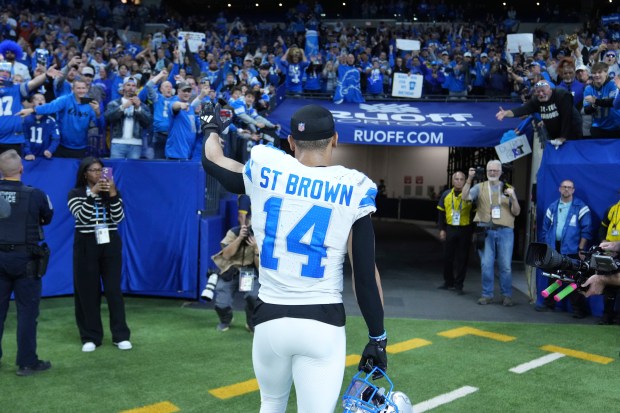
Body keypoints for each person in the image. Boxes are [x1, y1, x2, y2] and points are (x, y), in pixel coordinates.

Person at [201, 103, 386, 412]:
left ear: (291, 143)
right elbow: (365, 276)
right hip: (320, 322)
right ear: (335, 140)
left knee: (271, 405)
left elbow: (213, 161)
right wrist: (378, 337)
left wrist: (210, 127)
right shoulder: (353, 187)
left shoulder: (266, 168)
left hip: (270, 320)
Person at [67, 157, 131, 352]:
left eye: (100, 170)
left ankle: (120, 335)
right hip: (86, 244)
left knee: (113, 290)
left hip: (110, 243)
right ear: (85, 173)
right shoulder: (75, 193)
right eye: (93, 170)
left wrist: (112, 195)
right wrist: (92, 194)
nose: (97, 173)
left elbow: (119, 218)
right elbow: (82, 216)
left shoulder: (112, 192)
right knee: (87, 291)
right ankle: (90, 336)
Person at [0, 149, 53, 376]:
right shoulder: (36, 194)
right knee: (27, 313)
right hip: (26, 261)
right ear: (21, 169)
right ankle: (27, 362)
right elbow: (47, 217)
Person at [462, 160, 521, 306]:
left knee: (505, 265)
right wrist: (469, 179)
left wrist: (513, 197)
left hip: (505, 231)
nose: (492, 173)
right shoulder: (479, 187)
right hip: (485, 230)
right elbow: (465, 197)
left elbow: (517, 212)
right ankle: (487, 294)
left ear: (501, 172)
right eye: (490, 170)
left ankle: (506, 295)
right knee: (486, 264)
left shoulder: (508, 189)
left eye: (495, 170)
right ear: (486, 172)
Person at [537, 180, 592, 318]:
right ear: (559, 189)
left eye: (569, 187)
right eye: (564, 187)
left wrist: (581, 248)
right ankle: (549, 304)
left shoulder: (581, 207)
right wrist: (547, 246)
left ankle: (578, 310)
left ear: (573, 190)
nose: (566, 189)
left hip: (572, 250)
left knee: (573, 280)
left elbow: (587, 230)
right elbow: (545, 229)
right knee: (552, 277)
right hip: (554, 249)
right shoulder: (552, 207)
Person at [17, 80, 101, 158]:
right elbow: (50, 107)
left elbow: (99, 125)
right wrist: (33, 110)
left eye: (83, 88)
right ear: (73, 89)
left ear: (87, 89)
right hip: (62, 145)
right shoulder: (65, 99)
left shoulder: (90, 104)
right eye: (78, 88)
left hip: (81, 146)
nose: (81, 91)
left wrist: (97, 112)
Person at [210, 212, 260, 332]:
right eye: (250, 226)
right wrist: (240, 238)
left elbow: (259, 267)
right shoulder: (234, 232)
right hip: (231, 270)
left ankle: (251, 322)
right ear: (245, 224)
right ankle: (225, 319)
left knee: (253, 297)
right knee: (221, 303)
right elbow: (226, 255)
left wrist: (256, 248)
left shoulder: (261, 237)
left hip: (249, 271)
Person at [495, 80, 582, 148]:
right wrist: (506, 113)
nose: (541, 94)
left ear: (550, 90)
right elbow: (522, 110)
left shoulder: (561, 95)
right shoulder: (536, 100)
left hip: (572, 132)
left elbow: (566, 118)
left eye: (543, 91)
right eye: (538, 92)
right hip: (555, 134)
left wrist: (563, 137)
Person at [436, 171, 474, 294]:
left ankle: (459, 285)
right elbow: (441, 213)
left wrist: (473, 232)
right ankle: (448, 282)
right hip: (450, 229)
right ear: (452, 181)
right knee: (448, 257)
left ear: (465, 181)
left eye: (461, 179)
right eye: (456, 179)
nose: (458, 181)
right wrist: (442, 229)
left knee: (462, 258)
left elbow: (474, 215)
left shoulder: (470, 195)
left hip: (465, 229)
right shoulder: (446, 194)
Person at [104, 77, 152, 159]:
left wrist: (138, 108)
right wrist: (122, 107)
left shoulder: (143, 106)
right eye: (128, 85)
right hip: (117, 143)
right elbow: (108, 118)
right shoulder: (114, 103)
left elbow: (147, 123)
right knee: (116, 169)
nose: (131, 87)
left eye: (133, 85)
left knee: (132, 171)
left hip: (136, 144)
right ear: (123, 87)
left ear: (136, 89)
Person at [597, 198, 620, 324]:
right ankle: (606, 316)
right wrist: (603, 241)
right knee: (609, 284)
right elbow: (602, 227)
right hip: (610, 252)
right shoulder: (612, 209)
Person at [22, 93, 60, 161]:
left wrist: (50, 150)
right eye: (37, 99)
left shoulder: (51, 120)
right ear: (32, 103)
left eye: (42, 99)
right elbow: (24, 137)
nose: (40, 100)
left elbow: (56, 138)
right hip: (29, 156)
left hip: (45, 156)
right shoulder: (26, 120)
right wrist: (28, 152)